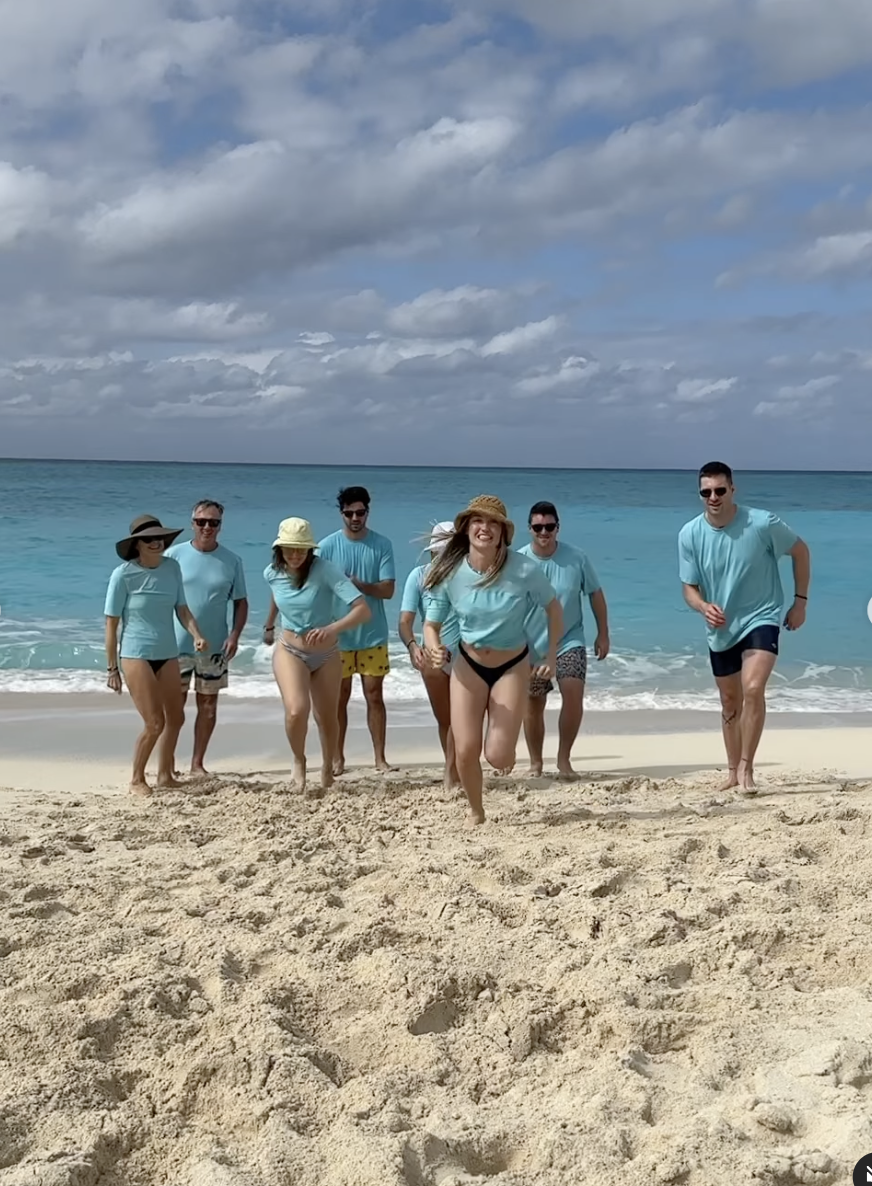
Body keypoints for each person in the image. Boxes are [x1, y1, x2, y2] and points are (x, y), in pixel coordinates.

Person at [423, 495, 562, 826]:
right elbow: (431, 624)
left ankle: (507, 750)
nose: (484, 528)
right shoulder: (450, 571)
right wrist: (433, 647)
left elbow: (554, 609)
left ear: (503, 533)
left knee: (498, 756)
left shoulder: (525, 569)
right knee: (465, 750)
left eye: (492, 523)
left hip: (511, 666)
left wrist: (552, 655)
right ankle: (476, 811)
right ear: (467, 528)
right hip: (467, 666)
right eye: (477, 521)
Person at [679, 462, 810, 795]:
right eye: (706, 492)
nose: (713, 497)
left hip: (762, 616)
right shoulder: (689, 534)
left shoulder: (762, 523)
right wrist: (702, 607)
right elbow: (689, 588)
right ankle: (732, 770)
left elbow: (800, 551)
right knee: (729, 701)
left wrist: (800, 602)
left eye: (720, 490)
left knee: (752, 689)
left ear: (733, 490)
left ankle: (747, 768)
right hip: (722, 628)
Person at [262, 518, 370, 795]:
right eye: (290, 549)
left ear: (310, 550)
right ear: (280, 549)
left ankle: (326, 765)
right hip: (290, 650)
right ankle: (298, 759)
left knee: (327, 717)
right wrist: (268, 625)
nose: (295, 555)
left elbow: (362, 609)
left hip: (327, 654)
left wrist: (331, 628)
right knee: (297, 710)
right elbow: (277, 595)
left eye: (301, 549)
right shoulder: (271, 573)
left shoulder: (325, 571)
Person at [105, 514, 209, 797]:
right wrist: (112, 669)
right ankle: (137, 779)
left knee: (176, 718)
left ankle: (165, 775)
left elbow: (182, 609)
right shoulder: (123, 575)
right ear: (136, 544)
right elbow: (111, 625)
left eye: (159, 538)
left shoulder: (172, 568)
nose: (156, 543)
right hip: (135, 654)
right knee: (154, 722)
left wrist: (197, 634)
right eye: (148, 539)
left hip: (168, 653)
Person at [519, 501, 610, 779]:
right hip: (532, 646)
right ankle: (535, 762)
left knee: (573, 693)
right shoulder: (519, 562)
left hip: (570, 639)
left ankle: (563, 759)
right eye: (538, 527)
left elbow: (595, 593)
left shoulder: (576, 558)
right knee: (533, 704)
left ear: (558, 528)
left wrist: (603, 632)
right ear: (529, 529)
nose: (543, 532)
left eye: (549, 526)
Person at [165, 499, 248, 777]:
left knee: (209, 707)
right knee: (174, 709)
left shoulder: (232, 561)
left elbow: (241, 602)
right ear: (192, 524)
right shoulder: (173, 556)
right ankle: (168, 763)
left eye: (213, 522)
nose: (207, 527)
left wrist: (235, 635)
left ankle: (197, 764)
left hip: (215, 647)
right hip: (175, 645)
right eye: (201, 522)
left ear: (220, 526)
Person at [318, 486, 396, 775]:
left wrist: (360, 586)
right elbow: (315, 587)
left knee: (374, 695)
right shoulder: (326, 547)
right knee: (340, 696)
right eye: (349, 513)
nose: (355, 518)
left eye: (360, 512)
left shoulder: (381, 545)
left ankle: (380, 758)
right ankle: (337, 757)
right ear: (341, 514)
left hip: (372, 634)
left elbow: (388, 590)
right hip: (338, 635)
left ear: (367, 512)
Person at [398, 522, 460, 790]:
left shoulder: (469, 575)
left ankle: (453, 771)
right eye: (438, 552)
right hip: (431, 656)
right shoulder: (419, 577)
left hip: (466, 655)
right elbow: (405, 621)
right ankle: (452, 767)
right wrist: (412, 647)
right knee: (445, 719)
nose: (442, 557)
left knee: (461, 717)